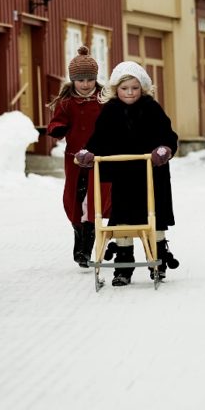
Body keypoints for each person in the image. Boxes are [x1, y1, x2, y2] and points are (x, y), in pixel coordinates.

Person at [75, 61, 180, 286]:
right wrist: (88, 152)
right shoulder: (110, 112)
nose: (130, 93)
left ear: (142, 87)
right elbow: (99, 139)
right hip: (124, 175)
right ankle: (124, 264)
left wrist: (164, 149)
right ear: (116, 90)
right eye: (124, 89)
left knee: (155, 216)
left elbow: (168, 135)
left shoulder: (152, 108)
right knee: (123, 218)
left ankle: (158, 259)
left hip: (152, 173)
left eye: (134, 88)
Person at [46, 46, 111, 268]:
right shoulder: (67, 102)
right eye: (81, 80)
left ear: (96, 79)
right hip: (74, 161)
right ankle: (78, 238)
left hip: (98, 160)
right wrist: (57, 128)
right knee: (75, 200)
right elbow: (57, 120)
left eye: (90, 79)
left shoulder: (104, 101)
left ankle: (85, 250)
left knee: (94, 201)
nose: (85, 84)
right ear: (73, 80)